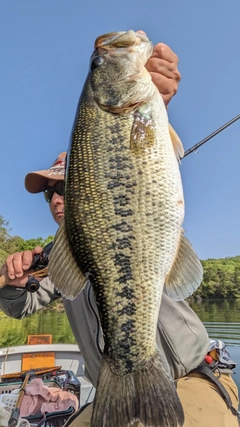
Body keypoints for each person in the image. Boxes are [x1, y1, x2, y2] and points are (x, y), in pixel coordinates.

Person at [0, 43, 239, 427]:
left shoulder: (127, 211)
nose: (57, 199)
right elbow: (19, 307)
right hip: (114, 389)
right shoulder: (56, 256)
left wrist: (156, 103)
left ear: (87, 182)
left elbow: (138, 156)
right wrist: (15, 283)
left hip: (192, 378)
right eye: (49, 193)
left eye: (63, 187)